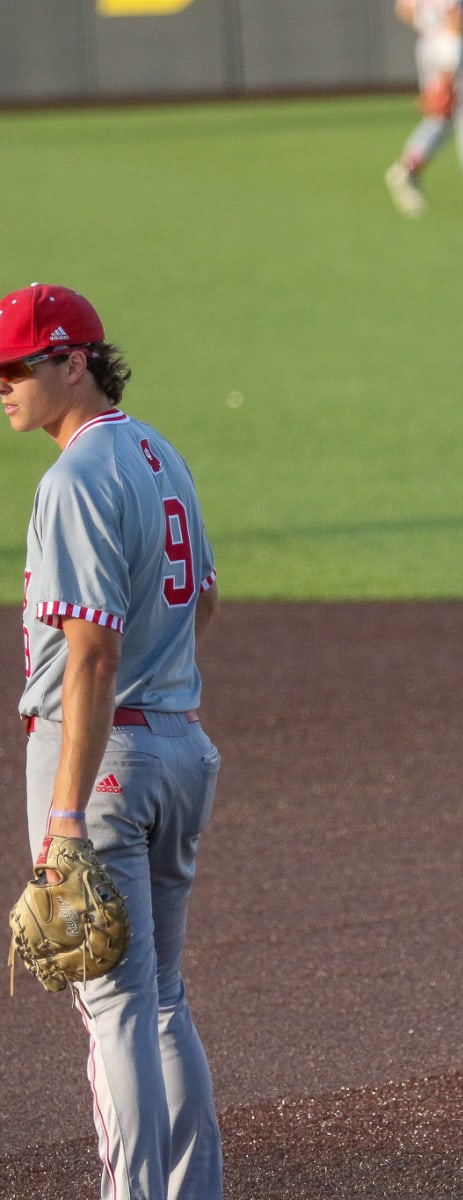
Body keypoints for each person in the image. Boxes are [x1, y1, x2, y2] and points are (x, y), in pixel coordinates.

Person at [1, 283, 223, 1200]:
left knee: (117, 1010)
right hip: (177, 746)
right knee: (161, 998)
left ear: (72, 360)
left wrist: (64, 819)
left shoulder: (77, 478)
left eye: (18, 367)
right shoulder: (157, 454)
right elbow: (203, 599)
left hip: (101, 766)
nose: (4, 385)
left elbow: (89, 657)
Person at [384, 0, 463, 216]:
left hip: (429, 44)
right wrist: (448, 72)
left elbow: (404, 9)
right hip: (457, 45)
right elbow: (454, 14)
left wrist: (431, 26)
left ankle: (410, 166)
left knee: (443, 116)